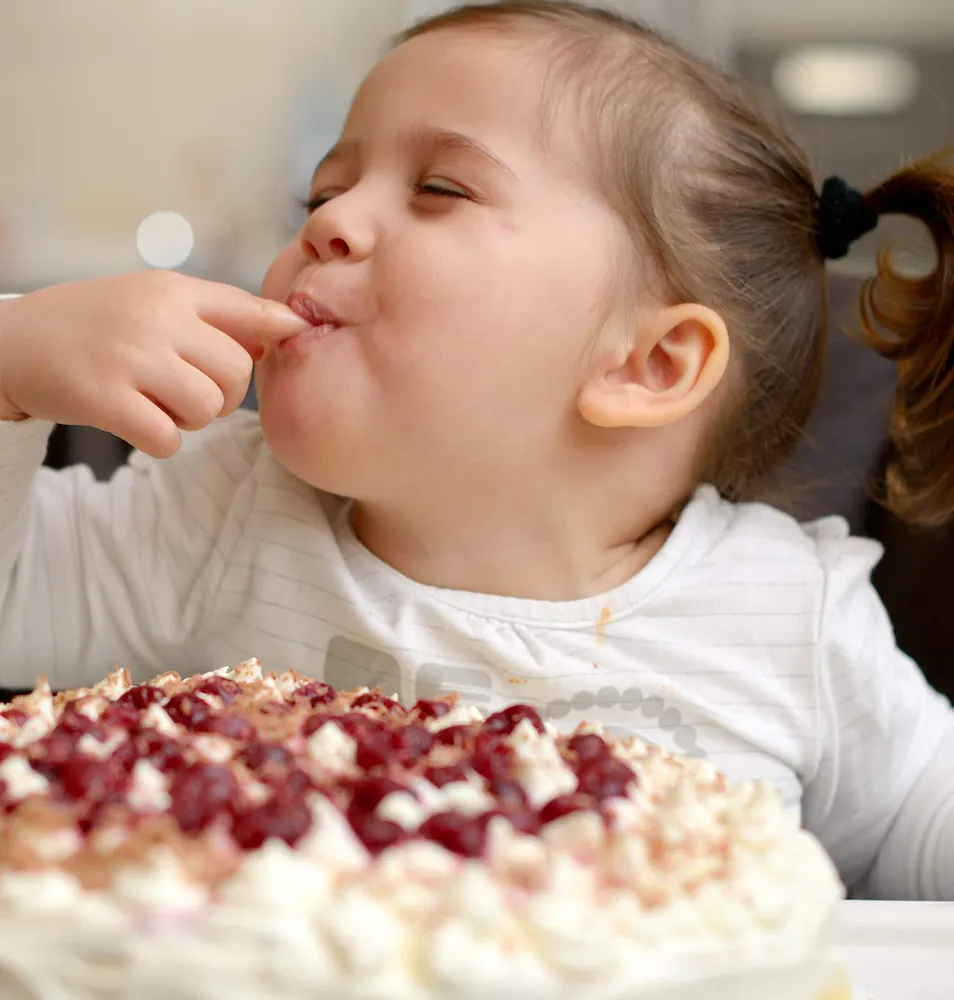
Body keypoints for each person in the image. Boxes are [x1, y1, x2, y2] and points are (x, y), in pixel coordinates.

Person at [0, 1, 951, 899]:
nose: (326, 224)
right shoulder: (221, 516)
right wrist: (10, 368)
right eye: (323, 191)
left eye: (440, 189)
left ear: (650, 363)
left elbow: (925, 830)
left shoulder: (790, 619)